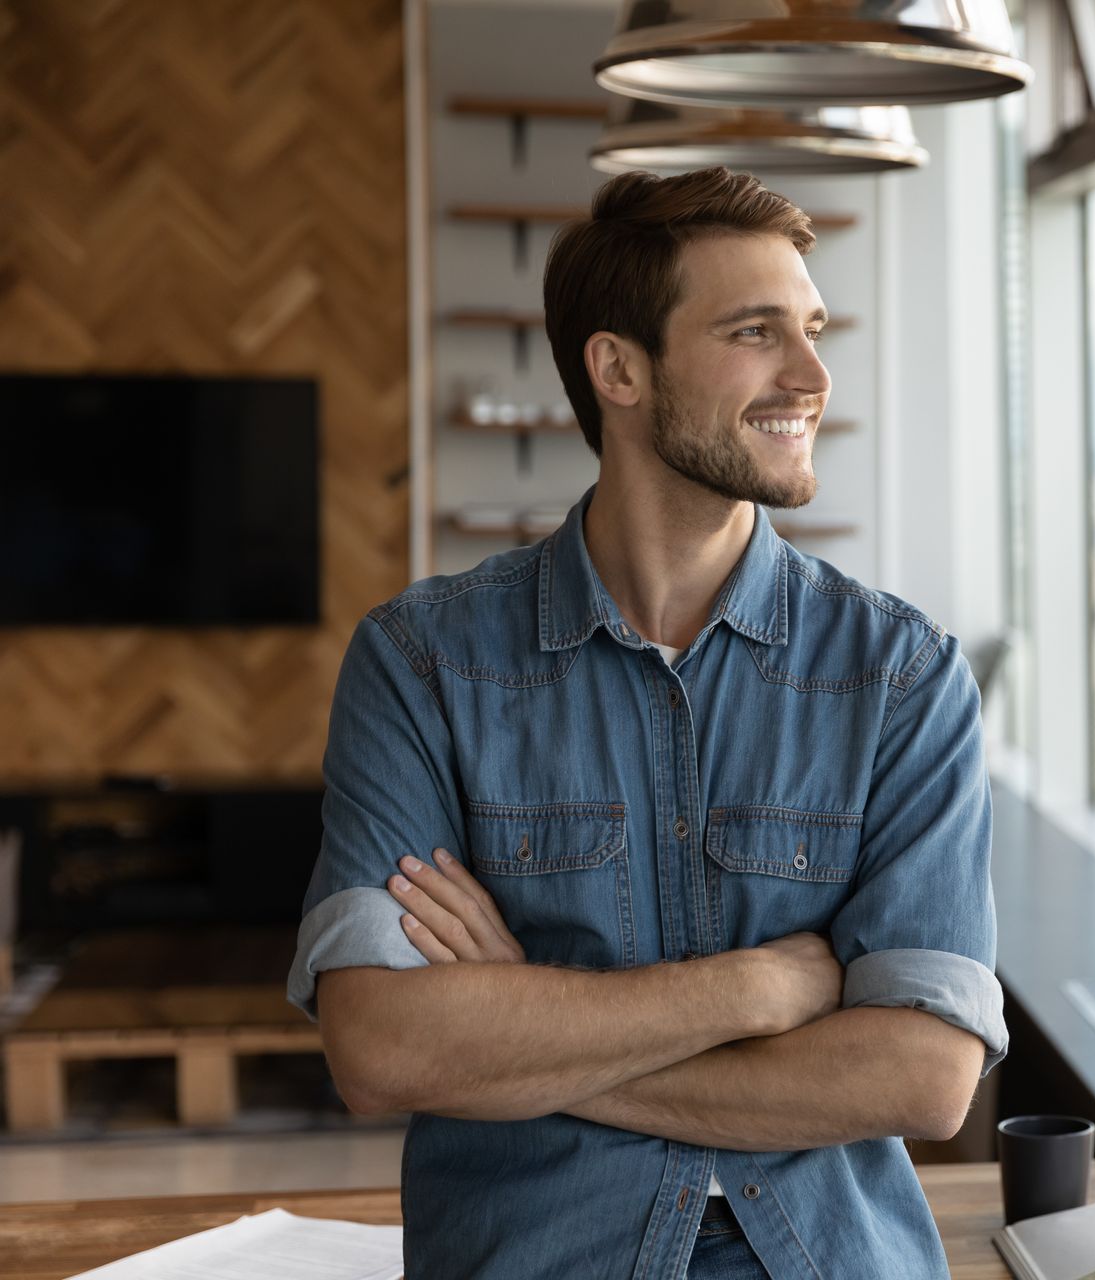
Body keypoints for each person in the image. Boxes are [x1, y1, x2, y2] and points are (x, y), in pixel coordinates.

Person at [286, 166, 1007, 1279]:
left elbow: (921, 1077)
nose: (811, 375)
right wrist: (754, 992)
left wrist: (520, 1024)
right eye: (757, 332)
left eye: (812, 330)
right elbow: (382, 1045)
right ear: (619, 367)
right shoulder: (424, 662)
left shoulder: (903, 677)